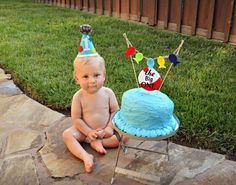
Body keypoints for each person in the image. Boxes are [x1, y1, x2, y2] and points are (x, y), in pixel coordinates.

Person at [62, 54, 121, 173]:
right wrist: (88, 132)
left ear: (104, 75)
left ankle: (101, 143)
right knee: (67, 135)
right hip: (85, 132)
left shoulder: (108, 93)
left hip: (105, 131)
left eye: (96, 75)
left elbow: (115, 111)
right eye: (85, 76)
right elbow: (76, 119)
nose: (92, 81)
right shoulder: (78, 97)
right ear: (76, 78)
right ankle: (85, 156)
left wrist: (109, 128)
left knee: (124, 137)